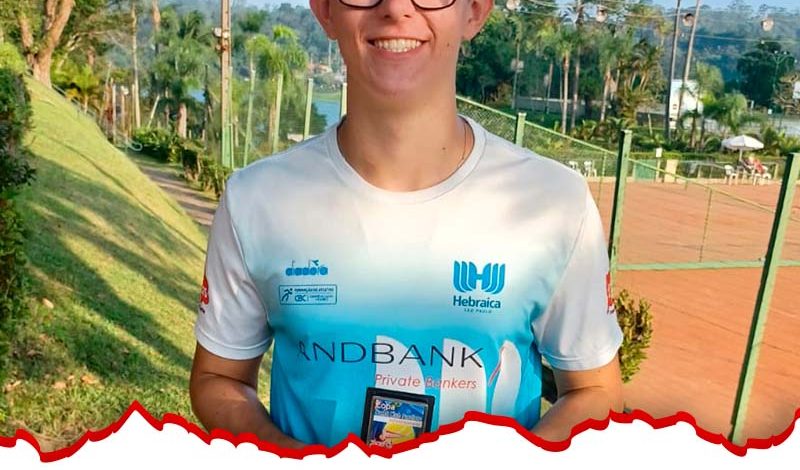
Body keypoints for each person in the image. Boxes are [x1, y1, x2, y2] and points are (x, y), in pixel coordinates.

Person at [189, 0, 624, 449]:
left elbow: (595, 391)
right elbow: (218, 378)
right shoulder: (256, 199)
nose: (396, 8)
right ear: (324, 10)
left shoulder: (554, 202)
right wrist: (291, 457)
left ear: (475, 11)